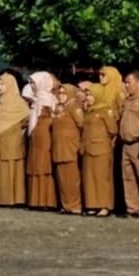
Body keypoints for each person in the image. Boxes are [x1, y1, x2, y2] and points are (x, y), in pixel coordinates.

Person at [113, 67, 139, 217]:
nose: (127, 85)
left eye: (129, 82)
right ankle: (133, 208)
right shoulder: (126, 101)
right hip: (125, 144)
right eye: (125, 83)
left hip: (137, 143)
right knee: (128, 177)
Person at [80, 83, 118, 217]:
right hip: (87, 148)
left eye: (91, 95)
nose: (88, 98)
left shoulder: (106, 111)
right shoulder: (90, 111)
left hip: (101, 148)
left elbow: (113, 129)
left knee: (102, 178)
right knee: (89, 178)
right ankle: (92, 204)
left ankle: (104, 205)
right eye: (87, 95)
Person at [0, 71, 29, 207]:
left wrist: (13, 127)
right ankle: (3, 199)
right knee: (2, 171)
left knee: (15, 170)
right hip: (0, 141)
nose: (0, 87)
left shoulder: (19, 102)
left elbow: (26, 118)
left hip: (13, 141)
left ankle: (17, 199)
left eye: (3, 84)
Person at [25, 71, 59, 209]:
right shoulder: (36, 99)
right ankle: (35, 200)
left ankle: (45, 200)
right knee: (35, 165)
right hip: (36, 137)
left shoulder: (47, 99)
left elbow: (49, 118)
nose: (32, 86)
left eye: (34, 83)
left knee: (43, 166)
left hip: (44, 137)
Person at [51, 78, 84, 214]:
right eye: (60, 93)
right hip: (59, 148)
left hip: (70, 147)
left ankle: (75, 205)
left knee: (71, 179)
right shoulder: (60, 108)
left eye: (65, 93)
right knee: (62, 178)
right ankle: (66, 204)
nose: (61, 95)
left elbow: (81, 124)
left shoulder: (74, 107)